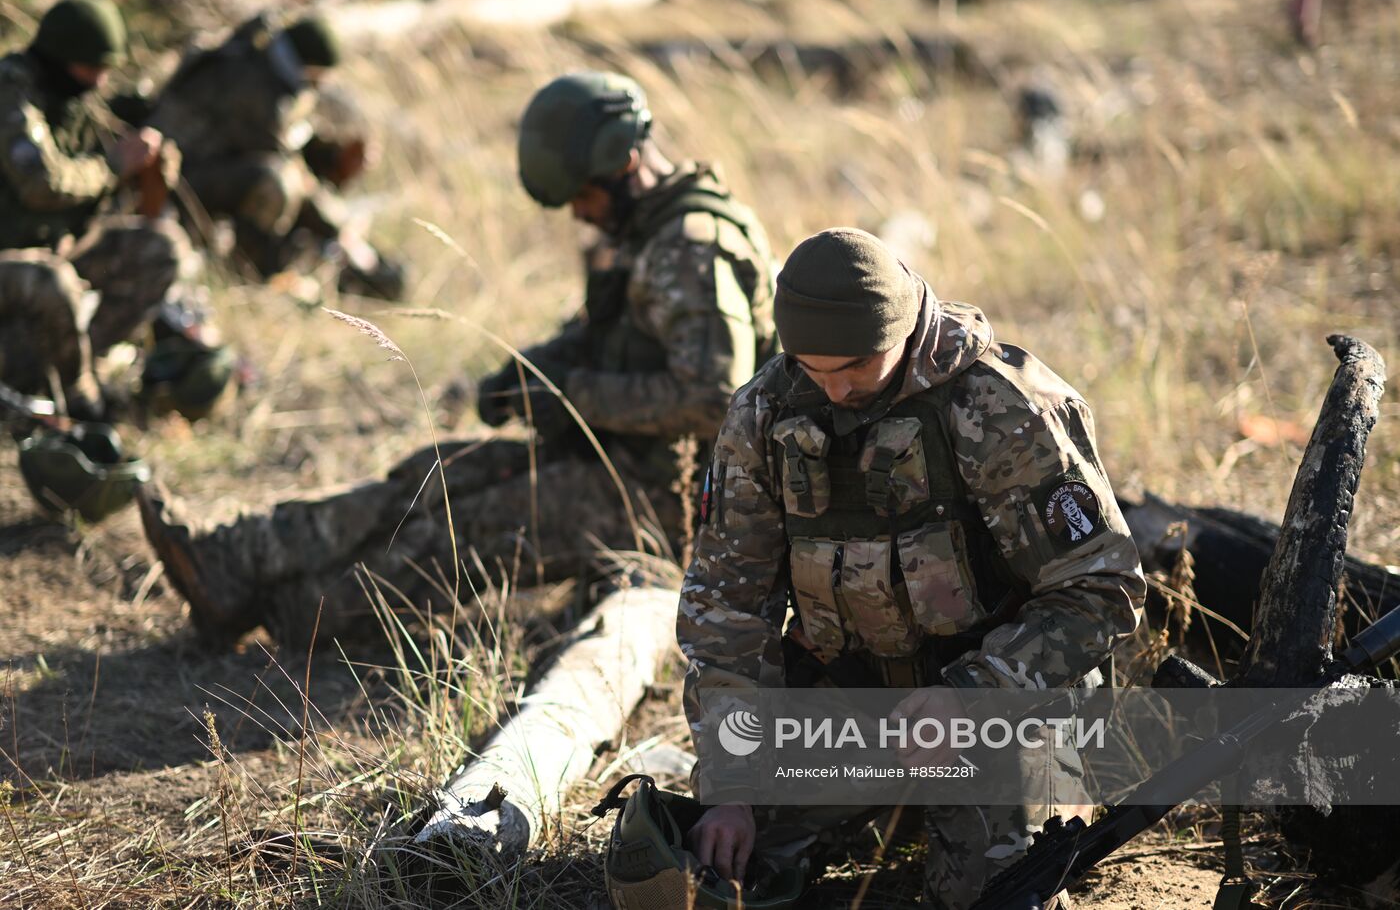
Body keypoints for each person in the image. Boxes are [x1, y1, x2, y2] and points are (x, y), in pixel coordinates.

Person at [138, 70, 778, 648]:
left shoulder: (694, 249)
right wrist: (526, 373)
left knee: (459, 532)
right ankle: (233, 560)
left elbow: (710, 399)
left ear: (626, 164)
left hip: (671, 500)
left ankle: (295, 614)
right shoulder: (644, 231)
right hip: (616, 458)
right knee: (431, 473)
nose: (579, 213)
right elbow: (606, 332)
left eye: (584, 195)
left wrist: (566, 393)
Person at [677, 228, 1146, 907]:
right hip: (856, 700)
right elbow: (726, 608)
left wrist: (970, 694)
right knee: (716, 863)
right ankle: (892, 806)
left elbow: (1101, 586)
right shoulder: (766, 412)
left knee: (994, 892)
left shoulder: (995, 404)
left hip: (1002, 706)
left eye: (857, 367)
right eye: (814, 368)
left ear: (900, 330)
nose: (835, 391)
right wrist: (730, 786)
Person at [0, 0, 197, 421]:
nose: (100, 82)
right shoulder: (11, 90)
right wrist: (114, 165)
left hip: (55, 253)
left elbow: (128, 194)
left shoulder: (79, 100)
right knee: (52, 281)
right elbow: (41, 183)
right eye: (92, 69)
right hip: (15, 267)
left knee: (162, 249)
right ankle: (80, 403)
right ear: (58, 58)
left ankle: (55, 372)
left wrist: (153, 164)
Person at [147, 12, 404, 299]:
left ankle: (353, 265)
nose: (318, 85)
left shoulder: (266, 67)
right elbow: (285, 160)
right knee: (276, 183)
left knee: (287, 183)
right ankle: (248, 275)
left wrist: (334, 156)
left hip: (205, 168)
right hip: (176, 181)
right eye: (317, 76)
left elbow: (293, 140)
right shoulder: (250, 80)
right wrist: (339, 229)